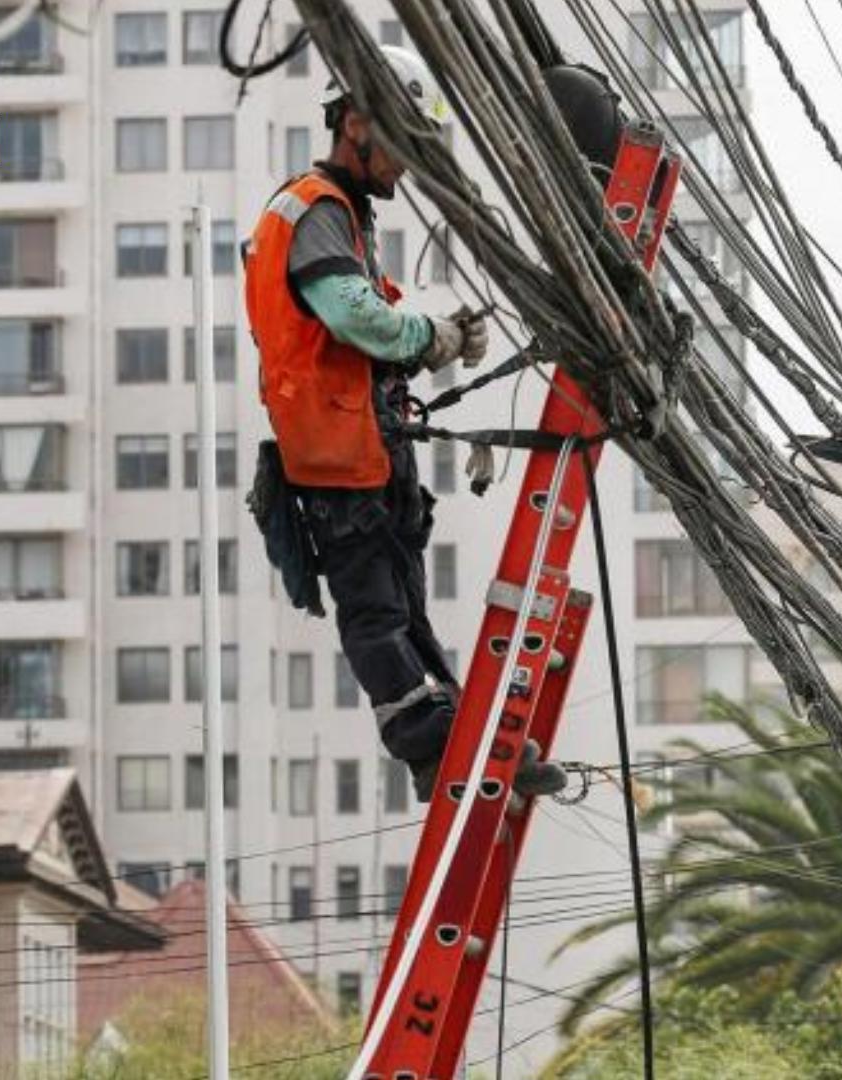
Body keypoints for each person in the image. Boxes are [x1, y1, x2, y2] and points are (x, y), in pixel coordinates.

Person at [242, 46, 566, 804]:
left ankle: (454, 737)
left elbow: (372, 333)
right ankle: (429, 738)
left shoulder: (345, 220)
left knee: (404, 608)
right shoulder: (314, 208)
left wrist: (436, 333)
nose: (408, 165)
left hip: (366, 454)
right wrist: (428, 338)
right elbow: (361, 322)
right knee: (376, 611)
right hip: (336, 462)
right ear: (355, 122)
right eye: (402, 141)